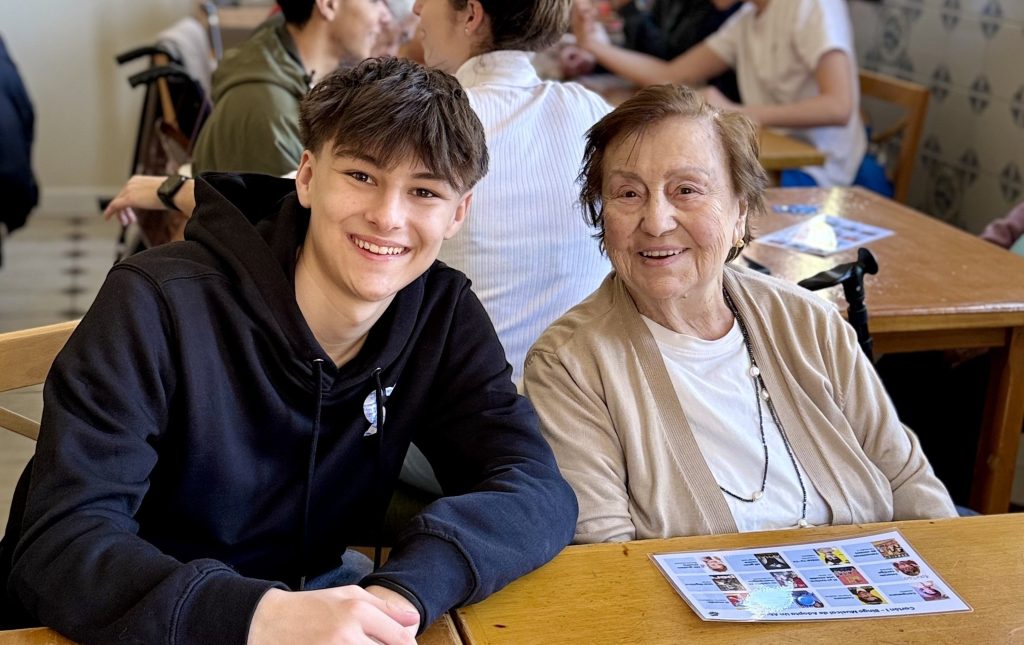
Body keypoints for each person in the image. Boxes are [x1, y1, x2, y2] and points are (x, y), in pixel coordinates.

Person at [0, 57, 577, 644]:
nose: (387, 216)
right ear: (306, 177)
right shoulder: (154, 303)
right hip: (132, 622)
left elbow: (535, 485)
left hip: (320, 598)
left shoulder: (441, 314)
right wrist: (263, 615)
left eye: (424, 191)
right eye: (361, 176)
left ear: (458, 213)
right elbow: (61, 546)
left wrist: (400, 594)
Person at [523, 84, 957, 545]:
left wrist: (959, 588)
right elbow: (606, 555)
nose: (655, 221)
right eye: (628, 193)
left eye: (686, 190)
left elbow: (907, 480)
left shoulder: (810, 322)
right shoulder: (569, 364)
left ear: (739, 213)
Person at [412, 0, 612, 387]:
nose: (417, 8)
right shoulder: (592, 110)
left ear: (471, 14)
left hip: (462, 409)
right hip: (586, 396)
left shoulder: (426, 124)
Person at [570, 0, 867, 188]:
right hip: (765, 155)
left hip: (817, 170)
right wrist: (594, 46)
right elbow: (670, 76)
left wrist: (741, 112)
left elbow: (839, 106)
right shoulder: (747, 19)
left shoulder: (811, 6)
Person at [192, 0, 392, 176]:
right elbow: (288, 215)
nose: (386, 17)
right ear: (328, 4)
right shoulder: (272, 114)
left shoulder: (291, 71)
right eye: (375, 1)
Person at [561, 0, 741, 102]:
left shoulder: (735, 15)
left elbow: (670, 72)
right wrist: (597, 61)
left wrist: (594, 46)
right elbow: (653, 57)